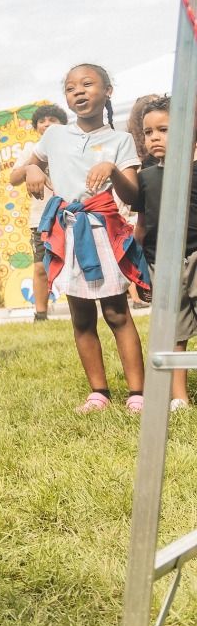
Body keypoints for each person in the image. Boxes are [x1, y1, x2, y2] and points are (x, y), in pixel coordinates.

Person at [25, 63, 150, 414]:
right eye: (70, 88)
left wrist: (112, 169)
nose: (78, 91)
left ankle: (137, 393)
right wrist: (33, 168)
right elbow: (24, 169)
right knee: (81, 316)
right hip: (67, 231)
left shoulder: (120, 140)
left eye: (87, 84)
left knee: (117, 312)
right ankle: (98, 393)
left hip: (102, 232)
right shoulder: (54, 135)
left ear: (107, 91)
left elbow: (132, 195)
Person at [131, 95, 197, 411]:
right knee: (174, 331)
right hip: (161, 263)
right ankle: (179, 396)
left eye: (163, 130)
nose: (154, 138)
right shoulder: (144, 178)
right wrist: (137, 272)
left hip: (195, 255)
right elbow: (142, 225)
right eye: (148, 132)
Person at [6, 103, 70, 320]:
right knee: (41, 267)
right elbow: (13, 179)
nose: (46, 124)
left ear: (63, 125)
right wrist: (31, 167)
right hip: (41, 218)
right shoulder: (31, 150)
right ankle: (40, 314)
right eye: (42, 121)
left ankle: (80, 309)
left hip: (70, 215)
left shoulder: (72, 147)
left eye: (52, 120)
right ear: (36, 127)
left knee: (73, 264)